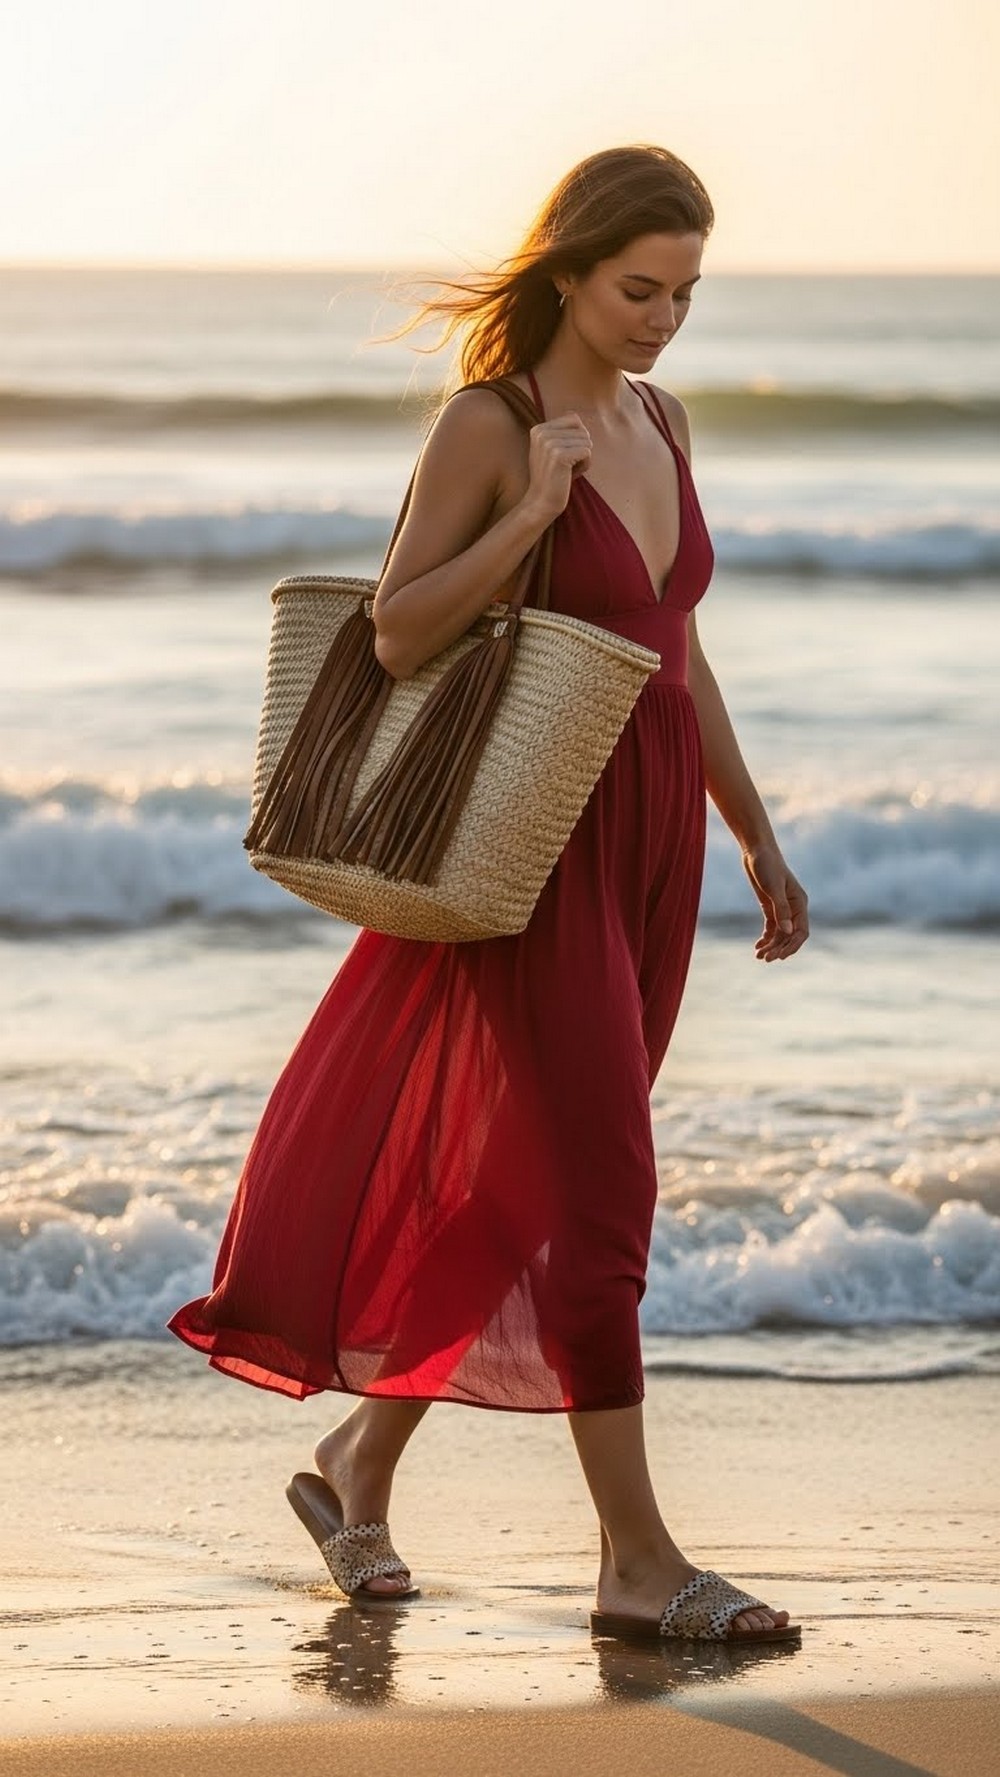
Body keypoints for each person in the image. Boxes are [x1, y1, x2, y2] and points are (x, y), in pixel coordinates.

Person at [167, 144, 809, 1644]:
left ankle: (353, 1462)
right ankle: (638, 1562)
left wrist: (756, 834)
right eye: (638, 288)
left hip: (649, 844)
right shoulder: (492, 419)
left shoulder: (665, 418)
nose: (661, 319)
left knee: (526, 1180)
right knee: (601, 1192)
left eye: (686, 293)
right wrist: (527, 520)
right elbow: (395, 633)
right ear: (569, 272)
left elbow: (679, 650)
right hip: (535, 850)